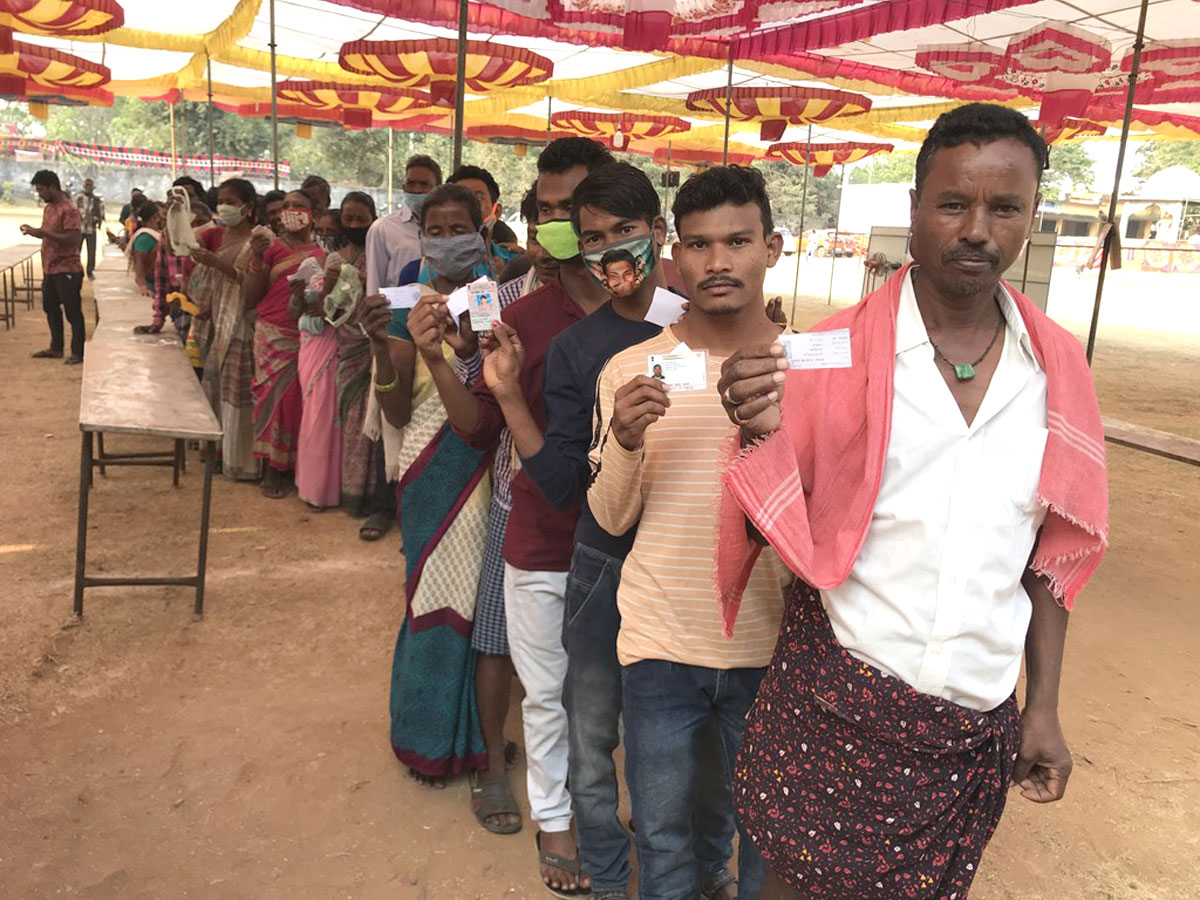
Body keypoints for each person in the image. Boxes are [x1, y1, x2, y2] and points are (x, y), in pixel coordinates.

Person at [716, 104, 1110, 900]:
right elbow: (770, 526)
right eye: (953, 203)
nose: (977, 230)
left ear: (1031, 216)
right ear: (914, 210)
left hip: (968, 726)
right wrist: (758, 433)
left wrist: (1045, 707)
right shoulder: (828, 355)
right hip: (838, 697)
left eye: (1005, 208)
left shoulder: (1058, 370)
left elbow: (1047, 557)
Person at [491, 161, 741, 900]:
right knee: (592, 731)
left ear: (659, 233)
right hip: (600, 560)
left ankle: (707, 866)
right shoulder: (576, 349)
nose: (612, 252)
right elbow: (565, 483)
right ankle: (606, 870)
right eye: (594, 237)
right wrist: (511, 398)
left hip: (686, 558)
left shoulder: (702, 321)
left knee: (694, 733)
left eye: (625, 232)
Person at [586, 165, 787, 900]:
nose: (719, 262)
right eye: (699, 246)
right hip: (661, 644)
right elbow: (610, 519)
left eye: (738, 241)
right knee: (663, 836)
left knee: (767, 840)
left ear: (772, 245)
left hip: (773, 645)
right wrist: (627, 443)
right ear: (675, 257)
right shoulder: (633, 370)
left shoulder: (812, 369)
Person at [433, 136, 615, 896]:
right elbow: (476, 424)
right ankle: (501, 780)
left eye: (573, 211)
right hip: (527, 509)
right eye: (546, 212)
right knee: (510, 651)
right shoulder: (499, 301)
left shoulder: (655, 305)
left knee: (604, 680)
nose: (557, 227)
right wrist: (440, 359)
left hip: (619, 523)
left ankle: (593, 803)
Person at [356, 183, 495, 793]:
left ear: (482, 228)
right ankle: (427, 738)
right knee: (432, 599)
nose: (445, 240)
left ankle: (480, 738)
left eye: (456, 227)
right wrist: (381, 350)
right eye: (433, 230)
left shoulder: (501, 295)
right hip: (426, 467)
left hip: (488, 468)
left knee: (480, 607)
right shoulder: (405, 297)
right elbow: (392, 410)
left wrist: (463, 348)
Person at [359, 154, 439, 542]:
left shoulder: (452, 233)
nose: (416, 191)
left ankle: (419, 514)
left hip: (439, 335)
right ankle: (383, 505)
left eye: (424, 185)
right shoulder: (384, 230)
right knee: (392, 419)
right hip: (394, 332)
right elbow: (375, 287)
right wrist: (377, 338)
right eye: (411, 184)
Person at [242, 190, 325, 499]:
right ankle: (269, 467)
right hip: (270, 336)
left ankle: (288, 466)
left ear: (313, 212)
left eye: (298, 206)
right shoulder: (270, 247)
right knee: (267, 399)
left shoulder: (321, 254)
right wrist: (256, 258)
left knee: (294, 402)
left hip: (303, 336)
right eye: (286, 206)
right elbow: (250, 298)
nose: (290, 211)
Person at [193, 178, 260, 481]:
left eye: (231, 202)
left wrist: (215, 263)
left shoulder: (258, 240)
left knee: (237, 389)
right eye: (221, 200)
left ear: (247, 207)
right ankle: (216, 450)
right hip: (217, 319)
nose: (224, 206)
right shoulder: (219, 235)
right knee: (216, 386)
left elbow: (254, 285)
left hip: (241, 323)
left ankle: (240, 459)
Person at [328, 192, 381, 516]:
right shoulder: (337, 258)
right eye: (348, 218)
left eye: (361, 218)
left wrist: (366, 282)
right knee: (350, 419)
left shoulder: (380, 254)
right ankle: (350, 491)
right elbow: (327, 308)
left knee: (371, 420)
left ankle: (371, 495)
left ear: (373, 218)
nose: (354, 224)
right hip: (346, 348)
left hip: (373, 345)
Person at [24, 170, 85, 364]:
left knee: (72, 311)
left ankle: (77, 352)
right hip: (50, 268)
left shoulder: (69, 210)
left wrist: (44, 234)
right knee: (50, 307)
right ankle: (56, 347)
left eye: (41, 189)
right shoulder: (49, 209)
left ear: (52, 187)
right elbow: (48, 234)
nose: (39, 193)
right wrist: (36, 232)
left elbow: (74, 238)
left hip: (67, 268)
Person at [447, 164, 521, 255]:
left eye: (478, 198)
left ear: (497, 211)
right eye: (458, 199)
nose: (468, 206)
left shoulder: (516, 263)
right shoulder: (433, 264)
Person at [74, 178, 104, 280]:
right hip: (79, 228)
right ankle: (76, 270)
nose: (88, 188)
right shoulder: (78, 198)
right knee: (76, 251)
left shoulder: (97, 200)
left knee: (92, 252)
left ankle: (90, 272)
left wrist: (97, 220)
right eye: (87, 186)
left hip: (91, 229)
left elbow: (101, 213)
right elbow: (73, 211)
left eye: (90, 186)